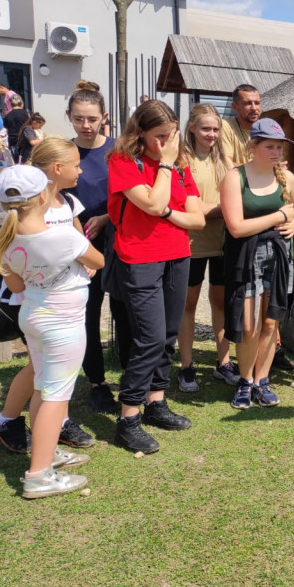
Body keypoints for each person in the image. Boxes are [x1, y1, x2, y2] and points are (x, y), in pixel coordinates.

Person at [0, 165, 104, 497]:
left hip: (33, 317)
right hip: (63, 325)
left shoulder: (5, 241)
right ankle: (38, 475)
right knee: (56, 396)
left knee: (43, 388)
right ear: (43, 196)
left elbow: (17, 283)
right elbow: (97, 260)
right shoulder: (64, 236)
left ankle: (46, 450)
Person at [108, 100, 205, 452]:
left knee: (166, 334)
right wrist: (163, 167)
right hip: (139, 258)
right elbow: (148, 204)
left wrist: (165, 206)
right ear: (141, 134)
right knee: (147, 337)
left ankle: (156, 402)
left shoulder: (180, 167)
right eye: (160, 137)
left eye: (171, 136)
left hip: (177, 256)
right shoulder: (123, 162)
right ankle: (128, 417)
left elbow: (196, 219)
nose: (168, 143)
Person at [222, 118, 294, 408]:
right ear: (252, 146)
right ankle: (244, 381)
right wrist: (279, 217)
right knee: (248, 325)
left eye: (279, 146)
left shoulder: (286, 177)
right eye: (269, 146)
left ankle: (261, 380)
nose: (276, 152)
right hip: (246, 256)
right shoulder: (235, 177)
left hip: (282, 255)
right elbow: (236, 228)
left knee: (271, 322)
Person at [67, 83, 128, 414]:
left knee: (124, 311)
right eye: (79, 119)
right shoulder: (64, 152)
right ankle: (96, 382)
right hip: (79, 244)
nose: (85, 125)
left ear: (104, 117)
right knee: (87, 315)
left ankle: (132, 378)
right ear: (69, 118)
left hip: (118, 241)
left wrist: (106, 217)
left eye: (91, 119)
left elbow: (131, 194)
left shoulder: (119, 150)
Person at [177, 104, 233, 392]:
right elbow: (191, 206)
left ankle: (223, 363)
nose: (211, 134)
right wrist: (224, 209)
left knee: (221, 302)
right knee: (187, 304)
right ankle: (186, 367)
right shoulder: (181, 160)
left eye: (215, 129)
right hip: (191, 242)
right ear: (192, 128)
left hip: (223, 241)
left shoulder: (227, 160)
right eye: (205, 128)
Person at [221, 83, 262, 165]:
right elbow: (226, 163)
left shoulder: (266, 129)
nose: (254, 108)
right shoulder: (225, 126)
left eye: (257, 103)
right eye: (248, 103)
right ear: (235, 107)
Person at [3, 94, 28, 159]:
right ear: (22, 103)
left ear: (11, 105)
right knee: (26, 160)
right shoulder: (27, 113)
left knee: (15, 160)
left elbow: (6, 128)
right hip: (25, 139)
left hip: (13, 140)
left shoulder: (7, 116)